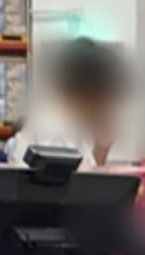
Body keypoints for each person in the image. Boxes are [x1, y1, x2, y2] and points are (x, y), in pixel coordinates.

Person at [7, 37, 128, 168]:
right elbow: (62, 179)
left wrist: (101, 149)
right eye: (106, 98)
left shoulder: (70, 126)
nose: (107, 109)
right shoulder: (57, 130)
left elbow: (86, 175)